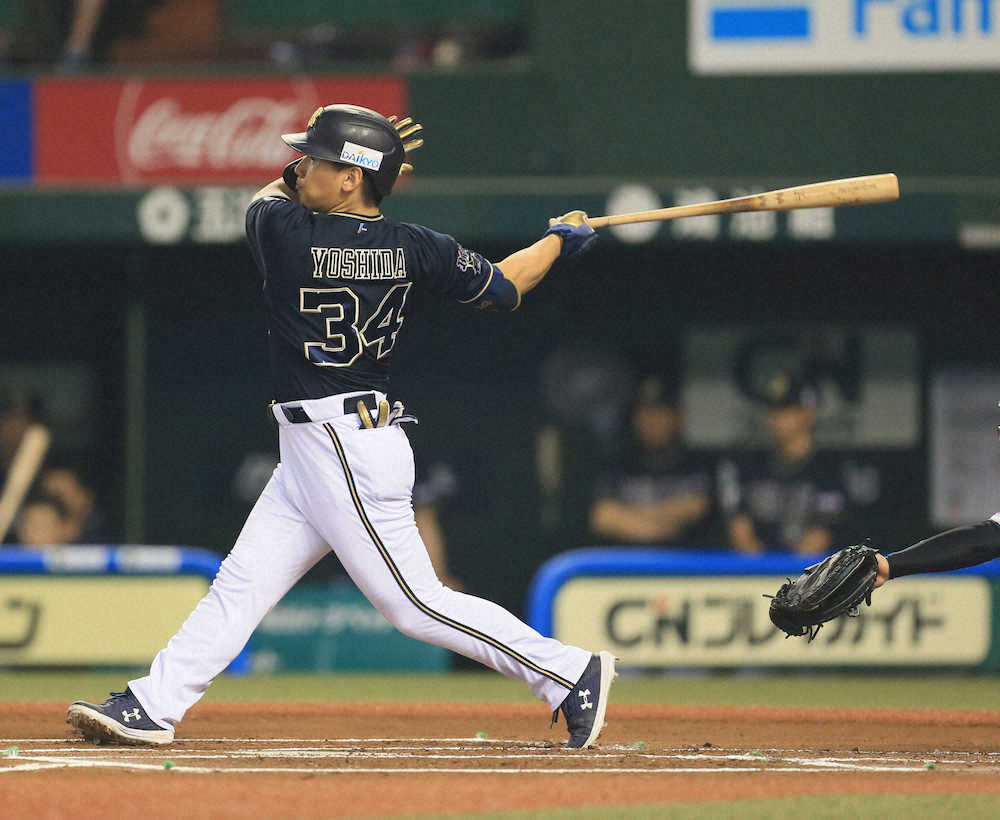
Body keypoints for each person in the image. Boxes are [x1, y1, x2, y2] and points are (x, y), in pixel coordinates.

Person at [67, 104, 615, 750]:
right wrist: (558, 239)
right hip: (322, 446)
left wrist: (372, 156)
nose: (301, 167)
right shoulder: (417, 246)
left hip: (342, 446)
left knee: (414, 605)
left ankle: (567, 671)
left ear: (352, 178)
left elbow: (272, 191)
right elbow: (505, 286)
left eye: (318, 159)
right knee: (239, 585)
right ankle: (155, 704)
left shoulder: (285, 232)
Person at [720, 372, 847, 555]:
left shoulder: (830, 470)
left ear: (809, 413)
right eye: (773, 410)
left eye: (787, 409)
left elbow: (816, 542)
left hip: (812, 576)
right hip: (756, 575)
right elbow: (742, 538)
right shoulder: (747, 465)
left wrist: (788, 578)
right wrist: (764, 573)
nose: (777, 418)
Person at [590, 373, 712, 545]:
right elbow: (603, 518)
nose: (652, 421)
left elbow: (696, 508)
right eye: (646, 412)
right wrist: (659, 526)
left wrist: (628, 519)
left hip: (681, 567)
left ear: (677, 417)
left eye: (660, 413)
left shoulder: (695, 463)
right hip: (626, 567)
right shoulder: (619, 463)